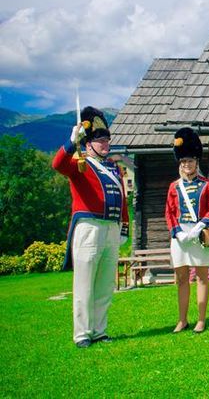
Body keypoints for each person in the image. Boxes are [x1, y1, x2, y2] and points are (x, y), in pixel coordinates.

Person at [52, 106, 129, 348]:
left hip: (110, 228)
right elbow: (58, 165)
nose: (105, 144)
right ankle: (82, 334)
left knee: (105, 283)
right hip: (89, 226)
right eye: (100, 140)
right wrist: (70, 141)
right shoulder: (80, 163)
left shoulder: (113, 169)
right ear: (88, 144)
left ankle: (99, 330)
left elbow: (122, 198)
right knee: (85, 283)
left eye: (107, 139)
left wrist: (124, 227)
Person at [164, 127, 209, 334]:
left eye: (189, 161)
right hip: (180, 237)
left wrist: (199, 226)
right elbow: (169, 212)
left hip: (200, 235)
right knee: (180, 278)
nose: (186, 165)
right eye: (183, 162)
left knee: (201, 277)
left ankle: (201, 319)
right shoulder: (174, 187)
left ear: (197, 162)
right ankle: (182, 320)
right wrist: (177, 232)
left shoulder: (207, 185)